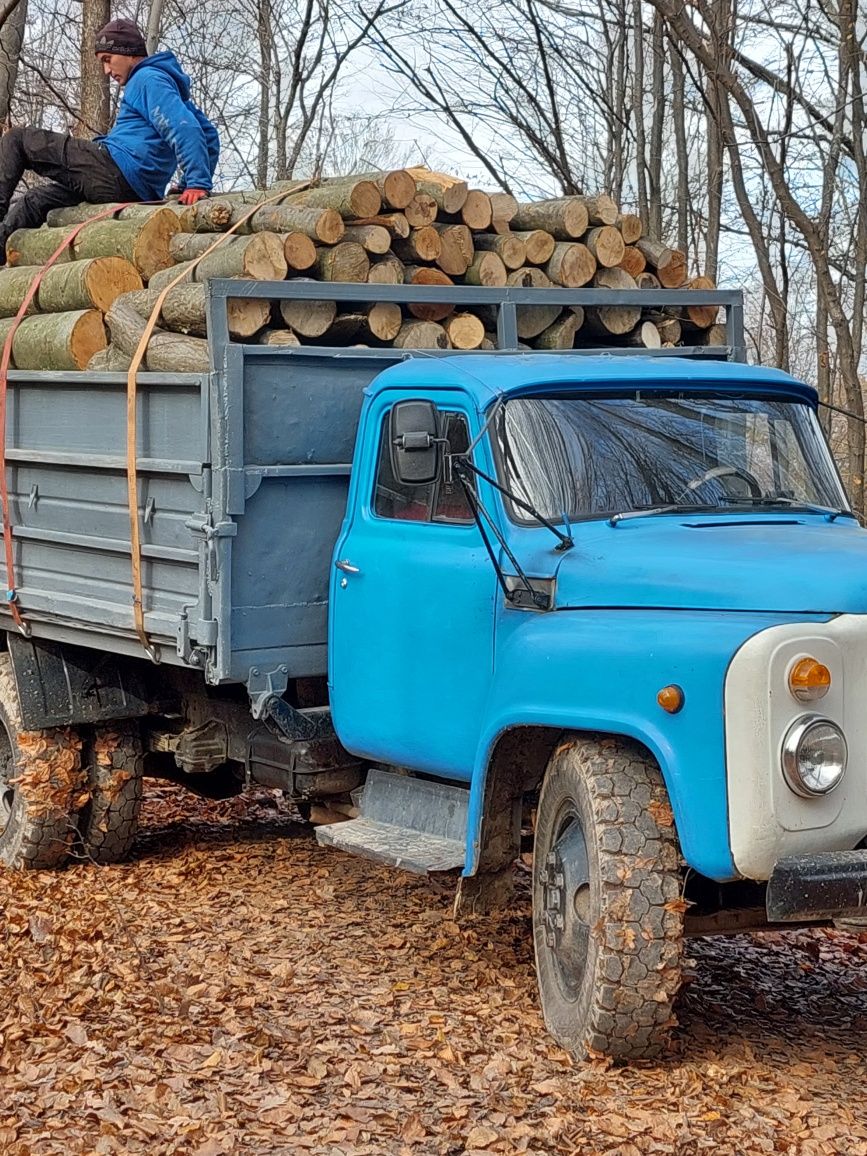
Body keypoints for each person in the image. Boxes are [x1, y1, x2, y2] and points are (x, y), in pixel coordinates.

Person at [0, 18, 219, 263]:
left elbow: (183, 127)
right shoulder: (165, 86)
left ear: (129, 53)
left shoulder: (147, 79)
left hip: (114, 169)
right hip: (130, 188)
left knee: (17, 139)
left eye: (108, 59)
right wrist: (189, 182)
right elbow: (208, 134)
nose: (106, 70)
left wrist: (197, 182)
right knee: (35, 201)